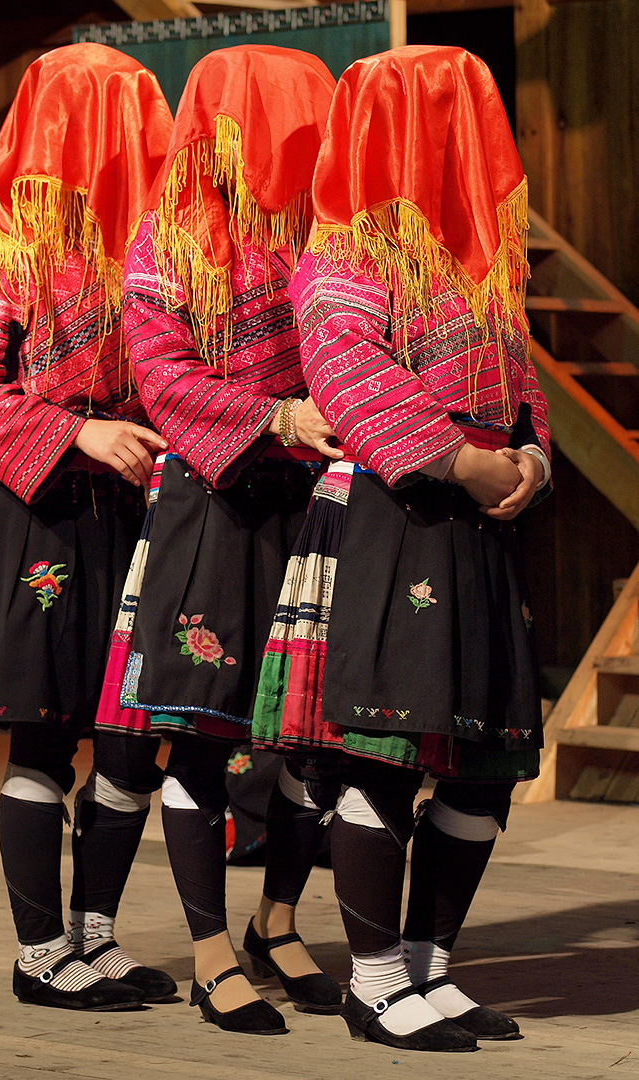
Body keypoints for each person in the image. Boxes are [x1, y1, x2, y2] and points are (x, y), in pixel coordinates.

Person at [251, 46, 552, 1053]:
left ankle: (428, 964)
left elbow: (524, 386)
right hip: (394, 508)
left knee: (482, 765)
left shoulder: (481, 254)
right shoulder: (342, 249)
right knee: (379, 751)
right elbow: (345, 372)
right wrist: (460, 462)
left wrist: (532, 462)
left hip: (475, 520)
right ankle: (374, 981)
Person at [94, 45, 344, 1035]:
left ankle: (277, 922)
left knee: (315, 736)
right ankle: (207, 948)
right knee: (200, 730)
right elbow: (160, 379)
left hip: (320, 502)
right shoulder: (169, 239)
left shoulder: (333, 233)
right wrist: (279, 419)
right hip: (218, 496)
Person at [0, 44, 177, 1011]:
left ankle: (97, 939)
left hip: (139, 517)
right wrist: (80, 431)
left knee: (128, 742)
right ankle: (41, 954)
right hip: (42, 518)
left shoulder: (156, 248)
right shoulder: (1, 254)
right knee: (41, 740)